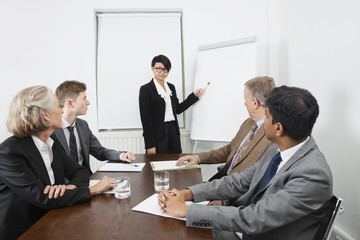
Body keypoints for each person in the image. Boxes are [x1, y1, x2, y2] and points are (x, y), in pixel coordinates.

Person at [158, 86, 333, 240]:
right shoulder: (276, 149)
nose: (262, 121)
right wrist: (186, 194)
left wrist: (186, 210)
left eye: (266, 116)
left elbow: (256, 218)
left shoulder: (313, 174)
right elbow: (238, 182)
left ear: (278, 128)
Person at [0, 86, 116, 239]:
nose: (62, 111)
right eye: (58, 106)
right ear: (45, 114)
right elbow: (42, 197)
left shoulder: (50, 141)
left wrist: (70, 187)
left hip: (53, 218)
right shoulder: (9, 151)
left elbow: (79, 171)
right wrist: (93, 190)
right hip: (24, 230)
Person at [177, 76, 275, 183]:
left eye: (245, 99)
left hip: (234, 192)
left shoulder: (273, 136)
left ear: (255, 103)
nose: (244, 103)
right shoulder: (249, 123)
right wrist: (198, 158)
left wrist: (225, 200)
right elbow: (229, 150)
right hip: (222, 182)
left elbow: (257, 180)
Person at [53, 80, 135, 173]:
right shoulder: (50, 130)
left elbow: (100, 152)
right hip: (65, 185)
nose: (88, 102)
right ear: (70, 103)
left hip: (85, 179)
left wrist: (121, 155)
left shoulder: (82, 125)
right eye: (84, 98)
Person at [139, 54, 203, 154]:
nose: (162, 72)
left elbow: (178, 109)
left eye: (165, 69)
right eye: (159, 69)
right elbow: (146, 119)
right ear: (152, 69)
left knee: (176, 162)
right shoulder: (146, 89)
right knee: (158, 164)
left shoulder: (171, 87)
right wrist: (150, 145)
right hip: (158, 134)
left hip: (173, 131)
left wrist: (193, 96)